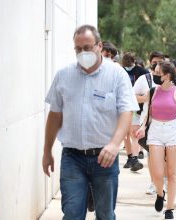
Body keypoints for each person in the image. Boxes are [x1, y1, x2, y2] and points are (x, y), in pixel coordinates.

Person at [42, 25, 139, 219]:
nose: (82, 53)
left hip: (105, 158)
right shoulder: (63, 76)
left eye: (87, 47)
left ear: (99, 46)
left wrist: (114, 144)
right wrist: (47, 151)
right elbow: (55, 115)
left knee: (105, 214)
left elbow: (126, 112)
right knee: (72, 214)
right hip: (73, 157)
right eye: (78, 49)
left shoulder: (116, 75)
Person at [136, 61, 176, 219]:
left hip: (173, 132)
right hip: (155, 132)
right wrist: (142, 127)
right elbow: (147, 113)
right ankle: (160, 193)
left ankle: (170, 208)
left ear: (167, 75)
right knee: (158, 174)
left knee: (171, 174)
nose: (154, 74)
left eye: (158, 72)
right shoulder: (152, 91)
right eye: (154, 71)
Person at [134, 51, 164, 195]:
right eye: (155, 62)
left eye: (160, 62)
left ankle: (162, 180)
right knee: (152, 154)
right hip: (149, 122)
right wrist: (146, 98)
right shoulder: (144, 79)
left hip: (167, 123)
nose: (157, 65)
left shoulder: (171, 79)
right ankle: (154, 182)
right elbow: (132, 97)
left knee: (165, 155)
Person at [120, 52, 148, 172]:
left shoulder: (142, 72)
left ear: (133, 62)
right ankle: (130, 156)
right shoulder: (120, 71)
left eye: (129, 64)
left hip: (136, 107)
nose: (128, 66)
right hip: (122, 106)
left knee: (134, 133)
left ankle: (135, 157)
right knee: (125, 134)